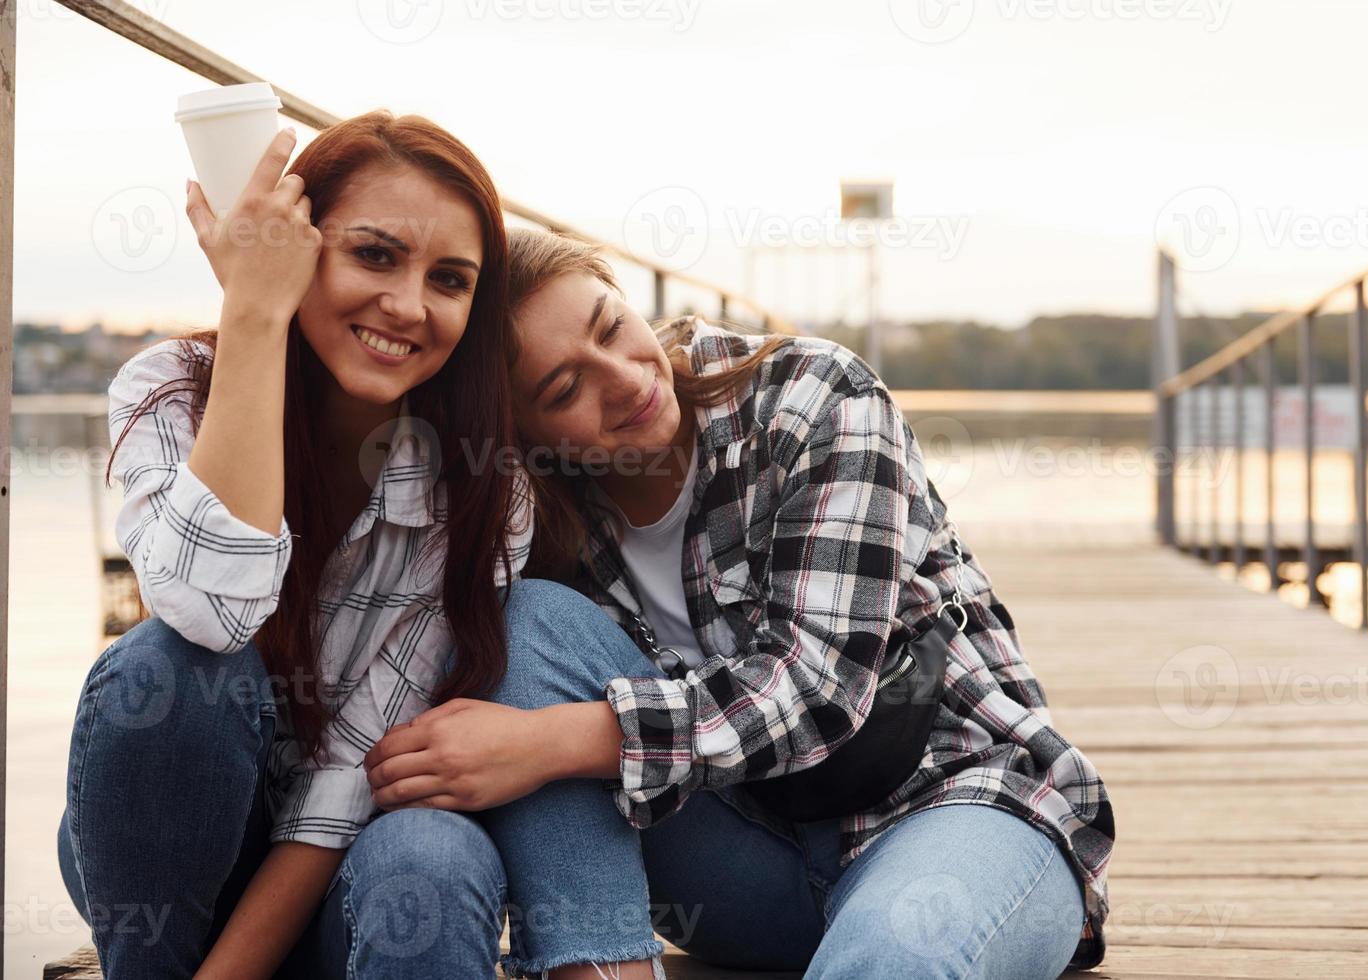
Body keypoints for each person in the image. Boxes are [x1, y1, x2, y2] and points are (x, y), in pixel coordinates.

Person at [364, 227, 1116, 978]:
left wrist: (549, 742)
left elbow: (815, 685)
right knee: (527, 626)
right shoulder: (542, 514)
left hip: (954, 804)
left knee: (891, 961)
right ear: (524, 439)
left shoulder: (813, 396)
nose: (624, 380)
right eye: (564, 391)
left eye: (612, 327)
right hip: (752, 869)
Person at [56, 112, 537, 978]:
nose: (408, 305)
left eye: (451, 280)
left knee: (434, 853)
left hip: (338, 870)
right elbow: (210, 614)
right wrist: (253, 314)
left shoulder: (485, 493)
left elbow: (350, 780)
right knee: (166, 671)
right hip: (164, 851)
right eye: (375, 255)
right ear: (295, 244)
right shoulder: (170, 392)